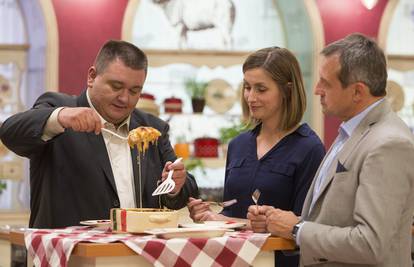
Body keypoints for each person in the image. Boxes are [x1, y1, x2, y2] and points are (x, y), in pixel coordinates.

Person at [248, 33, 414, 267]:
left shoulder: (389, 143)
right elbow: (334, 221)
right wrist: (283, 222)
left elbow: (369, 243)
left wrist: (296, 229)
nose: (316, 90)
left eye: (326, 82)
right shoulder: (352, 131)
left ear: (357, 91)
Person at [0, 40, 198, 228]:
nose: (124, 98)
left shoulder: (152, 130)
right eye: (116, 86)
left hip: (134, 256)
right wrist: (60, 117)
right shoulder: (60, 109)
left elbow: (185, 190)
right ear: (92, 77)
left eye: (134, 91)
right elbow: (10, 132)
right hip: (69, 256)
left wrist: (175, 186)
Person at [188, 47, 325, 267]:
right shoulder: (238, 145)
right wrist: (211, 218)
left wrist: (269, 224)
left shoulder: (309, 148)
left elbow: (307, 227)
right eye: (247, 87)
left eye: (261, 89)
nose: (251, 97)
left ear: (287, 90)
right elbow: (233, 214)